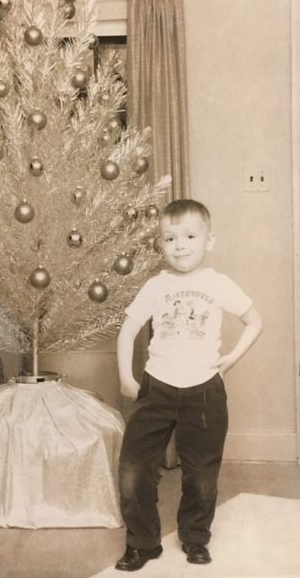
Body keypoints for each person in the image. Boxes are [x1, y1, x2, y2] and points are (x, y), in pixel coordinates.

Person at [115, 198, 263, 572]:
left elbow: (254, 320)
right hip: (158, 387)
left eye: (190, 236)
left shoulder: (218, 283)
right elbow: (128, 330)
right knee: (134, 468)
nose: (180, 245)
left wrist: (232, 358)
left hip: (204, 391)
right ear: (161, 245)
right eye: (170, 238)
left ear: (209, 241)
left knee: (201, 474)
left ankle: (195, 537)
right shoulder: (155, 286)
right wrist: (126, 377)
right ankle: (142, 543)